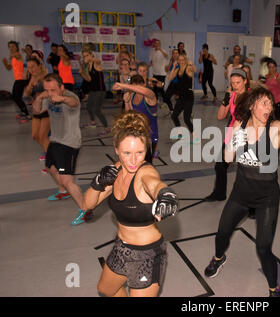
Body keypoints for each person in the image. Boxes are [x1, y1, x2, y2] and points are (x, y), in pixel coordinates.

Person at [204, 87, 280, 297]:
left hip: (267, 198)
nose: (269, 107)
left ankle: (274, 288)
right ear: (252, 105)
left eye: (270, 103)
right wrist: (233, 142)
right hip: (240, 195)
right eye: (264, 102)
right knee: (222, 233)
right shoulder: (238, 125)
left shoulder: (276, 127)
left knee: (263, 248)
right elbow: (226, 159)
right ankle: (218, 258)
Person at [82, 110, 179, 297]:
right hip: (121, 247)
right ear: (116, 149)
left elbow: (155, 184)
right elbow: (87, 205)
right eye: (127, 153)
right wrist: (97, 183)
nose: (134, 160)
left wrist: (166, 195)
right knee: (105, 289)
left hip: (147, 255)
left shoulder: (145, 172)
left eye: (140, 152)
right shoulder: (115, 171)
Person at [31, 73, 89, 226]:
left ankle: (85, 209)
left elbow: (74, 103)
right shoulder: (48, 97)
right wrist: (39, 98)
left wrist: (62, 98)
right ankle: (63, 192)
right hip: (55, 140)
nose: (50, 93)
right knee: (50, 167)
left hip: (69, 143)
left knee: (66, 179)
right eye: (47, 90)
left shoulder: (70, 96)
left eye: (53, 90)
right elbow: (36, 111)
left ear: (61, 87)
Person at [204, 68, 249, 202]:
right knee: (220, 165)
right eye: (233, 83)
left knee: (247, 171)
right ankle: (219, 193)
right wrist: (226, 99)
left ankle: (251, 204)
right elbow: (220, 116)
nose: (235, 86)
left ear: (245, 82)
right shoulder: (232, 95)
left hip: (245, 136)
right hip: (231, 133)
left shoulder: (250, 98)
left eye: (238, 82)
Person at [113, 74, 159, 163]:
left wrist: (122, 85)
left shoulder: (150, 96)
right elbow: (129, 115)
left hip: (150, 137)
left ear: (143, 85)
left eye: (138, 86)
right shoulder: (131, 97)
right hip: (138, 135)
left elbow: (144, 91)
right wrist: (126, 102)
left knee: (147, 164)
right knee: (137, 163)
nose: (136, 89)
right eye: (134, 86)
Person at [23, 57, 49, 171]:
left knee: (43, 135)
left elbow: (51, 91)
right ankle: (48, 150)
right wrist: (30, 86)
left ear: (39, 65)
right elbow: (26, 94)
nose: (31, 69)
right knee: (35, 135)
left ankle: (51, 161)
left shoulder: (46, 76)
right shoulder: (32, 77)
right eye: (28, 67)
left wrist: (41, 95)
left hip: (47, 109)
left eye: (33, 66)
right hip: (36, 110)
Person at [79, 48, 109, 136]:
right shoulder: (88, 66)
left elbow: (99, 61)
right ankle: (93, 122)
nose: (85, 57)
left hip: (100, 91)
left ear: (91, 55)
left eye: (86, 55)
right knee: (88, 106)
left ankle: (107, 128)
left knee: (97, 110)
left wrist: (90, 58)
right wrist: (82, 73)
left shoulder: (96, 63)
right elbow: (89, 79)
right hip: (93, 91)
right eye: (84, 56)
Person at [167, 53, 197, 141]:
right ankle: (179, 133)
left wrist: (192, 64)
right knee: (174, 116)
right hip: (181, 97)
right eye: (179, 60)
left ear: (185, 60)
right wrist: (173, 67)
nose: (181, 61)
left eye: (182, 60)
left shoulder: (188, 69)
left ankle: (194, 135)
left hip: (189, 97)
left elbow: (194, 70)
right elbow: (170, 78)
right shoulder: (177, 70)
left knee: (186, 119)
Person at [2, 41, 30, 123]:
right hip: (18, 79)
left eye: (13, 46)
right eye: (9, 47)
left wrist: (12, 55)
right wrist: (4, 63)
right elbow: (8, 68)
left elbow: (16, 55)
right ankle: (23, 112)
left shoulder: (18, 55)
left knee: (16, 97)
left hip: (22, 79)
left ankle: (27, 114)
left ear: (16, 47)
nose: (11, 48)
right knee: (16, 97)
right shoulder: (13, 57)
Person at [163, 48, 180, 113]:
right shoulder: (172, 61)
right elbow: (167, 70)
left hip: (180, 84)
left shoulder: (181, 62)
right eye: (173, 53)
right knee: (166, 97)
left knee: (181, 100)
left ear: (178, 54)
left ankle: (189, 112)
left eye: (176, 53)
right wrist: (169, 65)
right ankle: (172, 110)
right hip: (173, 82)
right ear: (172, 55)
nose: (175, 55)